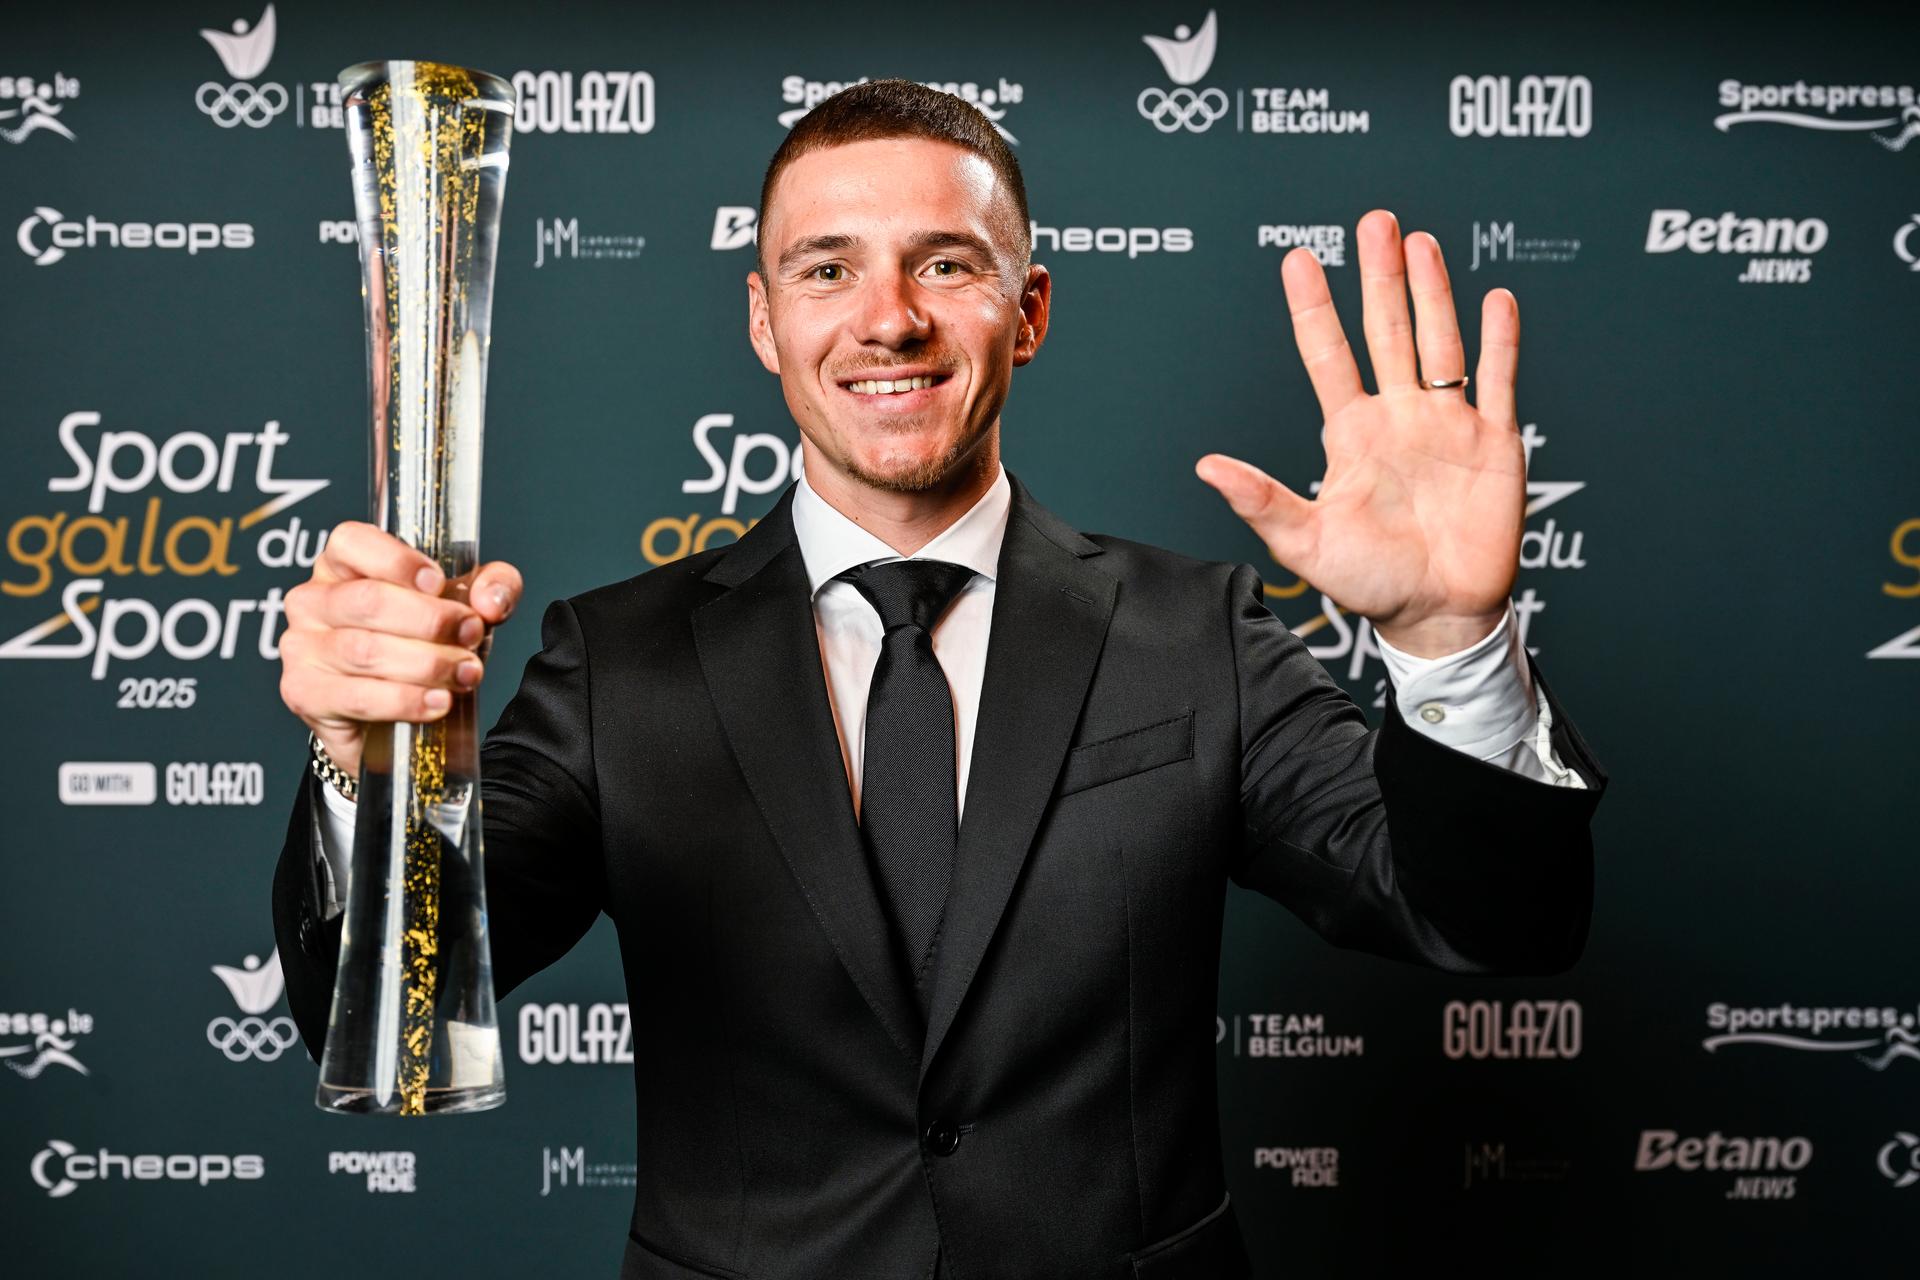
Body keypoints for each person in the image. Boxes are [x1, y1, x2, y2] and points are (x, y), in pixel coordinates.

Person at [272, 80, 1604, 1280]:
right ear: (763, 319)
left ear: (1027, 312)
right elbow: (370, 994)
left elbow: (1485, 923)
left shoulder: (1195, 632)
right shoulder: (622, 659)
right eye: (827, 269)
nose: (887, 319)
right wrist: (362, 760)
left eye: (946, 264)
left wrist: (1448, 640)